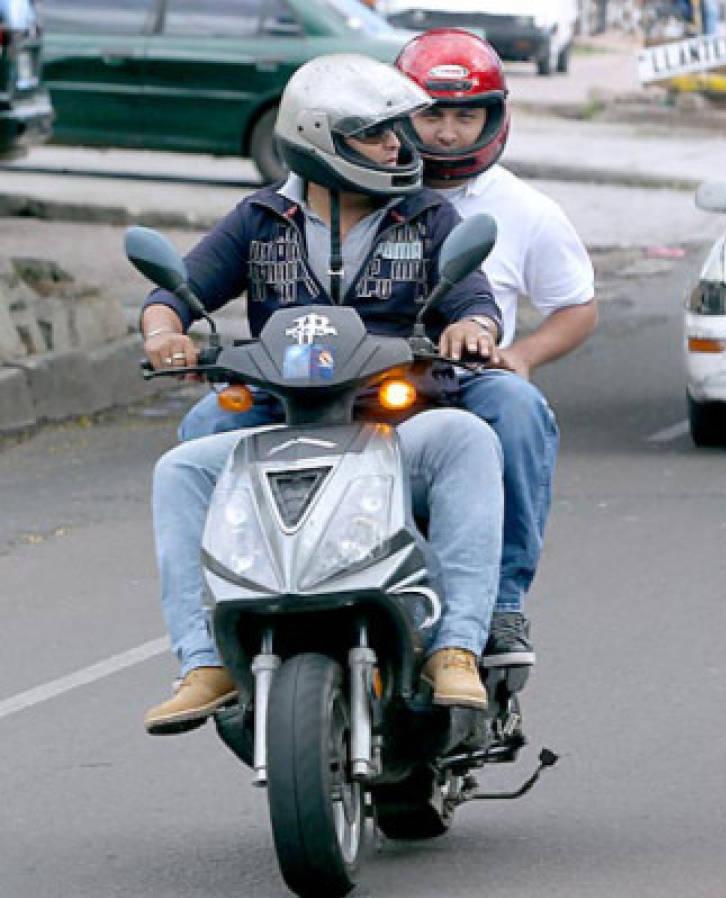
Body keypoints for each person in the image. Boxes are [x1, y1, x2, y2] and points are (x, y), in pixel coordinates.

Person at [141, 54, 505, 734]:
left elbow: (474, 301)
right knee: (180, 469)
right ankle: (206, 661)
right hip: (281, 418)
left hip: (401, 423)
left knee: (471, 438)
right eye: (376, 134)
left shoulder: (425, 217)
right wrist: (164, 332)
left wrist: (472, 329)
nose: (399, 146)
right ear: (318, 137)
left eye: (398, 131)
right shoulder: (259, 219)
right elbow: (175, 292)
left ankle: (456, 645)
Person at [396, 29, 597, 667]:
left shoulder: (527, 210)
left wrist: (524, 354)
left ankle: (504, 604)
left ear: (494, 117)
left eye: (464, 115)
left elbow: (577, 306)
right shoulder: (356, 187)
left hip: (462, 382)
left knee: (518, 406)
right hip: (348, 376)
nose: (447, 133)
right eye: (431, 114)